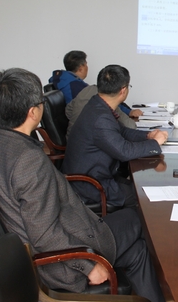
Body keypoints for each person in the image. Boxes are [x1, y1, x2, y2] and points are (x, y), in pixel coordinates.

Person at [0, 68, 167, 302]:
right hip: (62, 260)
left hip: (63, 234)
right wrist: (88, 266)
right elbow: (43, 234)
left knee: (137, 250)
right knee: (138, 218)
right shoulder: (28, 160)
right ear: (33, 112)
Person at [62, 65, 168, 208]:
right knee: (144, 197)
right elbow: (124, 151)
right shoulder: (101, 118)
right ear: (123, 90)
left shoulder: (97, 104)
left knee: (140, 186)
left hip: (97, 175)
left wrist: (148, 135)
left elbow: (122, 131)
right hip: (91, 186)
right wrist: (155, 143)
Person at [49, 51, 142, 118]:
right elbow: (105, 101)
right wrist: (129, 112)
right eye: (86, 64)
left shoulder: (63, 81)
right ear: (81, 67)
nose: (87, 67)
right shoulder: (77, 87)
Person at [65, 84, 136, 140]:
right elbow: (130, 126)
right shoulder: (108, 100)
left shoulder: (87, 89)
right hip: (87, 147)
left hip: (71, 140)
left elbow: (68, 111)